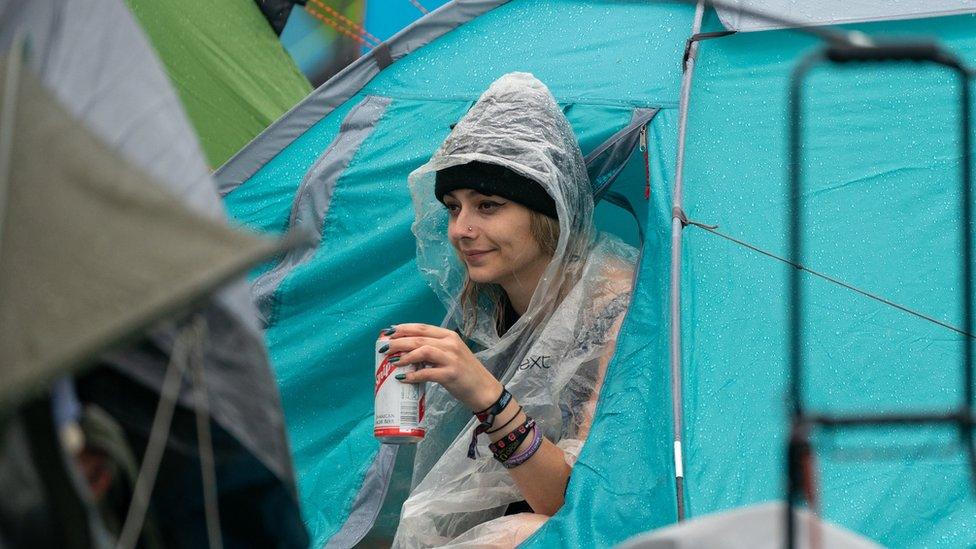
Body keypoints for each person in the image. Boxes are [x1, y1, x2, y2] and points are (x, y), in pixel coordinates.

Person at [386, 72, 637, 547]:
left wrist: (487, 395)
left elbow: (573, 509)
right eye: (453, 207)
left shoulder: (615, 306)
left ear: (547, 210)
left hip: (609, 527)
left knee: (523, 534)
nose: (460, 229)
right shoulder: (486, 304)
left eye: (488, 205)